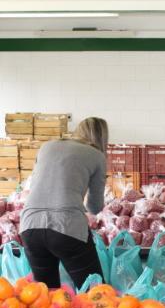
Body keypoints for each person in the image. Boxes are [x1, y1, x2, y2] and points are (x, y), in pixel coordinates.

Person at [20, 117, 108, 289]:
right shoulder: (97, 156)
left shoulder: (47, 147)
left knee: (46, 295)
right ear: (102, 137)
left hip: (29, 226)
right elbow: (95, 207)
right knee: (96, 293)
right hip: (67, 226)